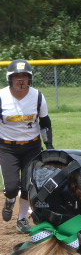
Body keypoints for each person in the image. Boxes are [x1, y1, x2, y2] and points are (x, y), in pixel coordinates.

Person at [0, 59, 55, 234]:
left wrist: (49, 145)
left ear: (30, 79)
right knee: (11, 187)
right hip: (7, 147)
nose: (21, 80)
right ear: (10, 79)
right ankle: (10, 200)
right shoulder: (1, 97)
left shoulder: (37, 96)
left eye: (25, 76)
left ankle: (22, 219)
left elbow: (45, 122)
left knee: (28, 185)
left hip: (32, 147)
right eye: (17, 77)